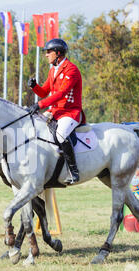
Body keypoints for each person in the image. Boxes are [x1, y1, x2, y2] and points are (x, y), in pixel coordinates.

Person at [27, 38, 86, 185]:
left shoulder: (71, 70)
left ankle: (74, 172)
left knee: (60, 135)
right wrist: (35, 86)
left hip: (71, 112)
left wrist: (39, 105)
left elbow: (60, 93)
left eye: (49, 52)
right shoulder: (53, 69)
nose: (46, 55)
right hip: (56, 111)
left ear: (58, 53)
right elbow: (44, 92)